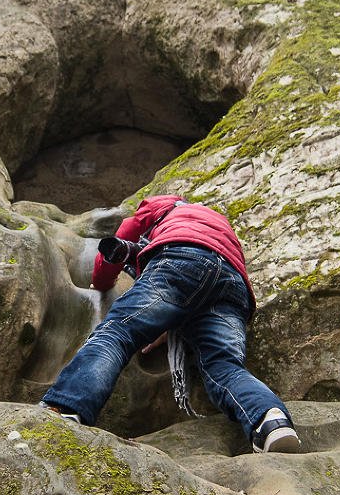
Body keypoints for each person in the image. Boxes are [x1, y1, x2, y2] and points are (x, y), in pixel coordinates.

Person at [41, 194, 301, 454]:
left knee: (118, 332)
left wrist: (101, 282)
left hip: (181, 259)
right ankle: (270, 421)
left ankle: (67, 407)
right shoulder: (219, 221)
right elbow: (203, 282)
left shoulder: (162, 205)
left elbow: (123, 237)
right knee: (223, 365)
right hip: (232, 285)